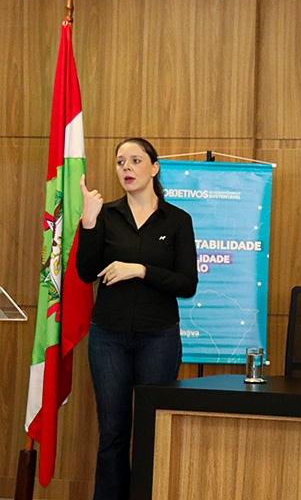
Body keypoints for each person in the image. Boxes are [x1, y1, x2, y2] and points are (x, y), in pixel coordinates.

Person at [76, 137, 198, 500]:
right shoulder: (107, 215)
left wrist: (141, 270)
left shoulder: (177, 220)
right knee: (112, 433)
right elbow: (86, 272)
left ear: (154, 168)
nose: (126, 168)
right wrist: (88, 222)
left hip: (158, 337)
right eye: (120, 162)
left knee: (152, 430)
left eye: (135, 160)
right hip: (108, 337)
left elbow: (187, 284)